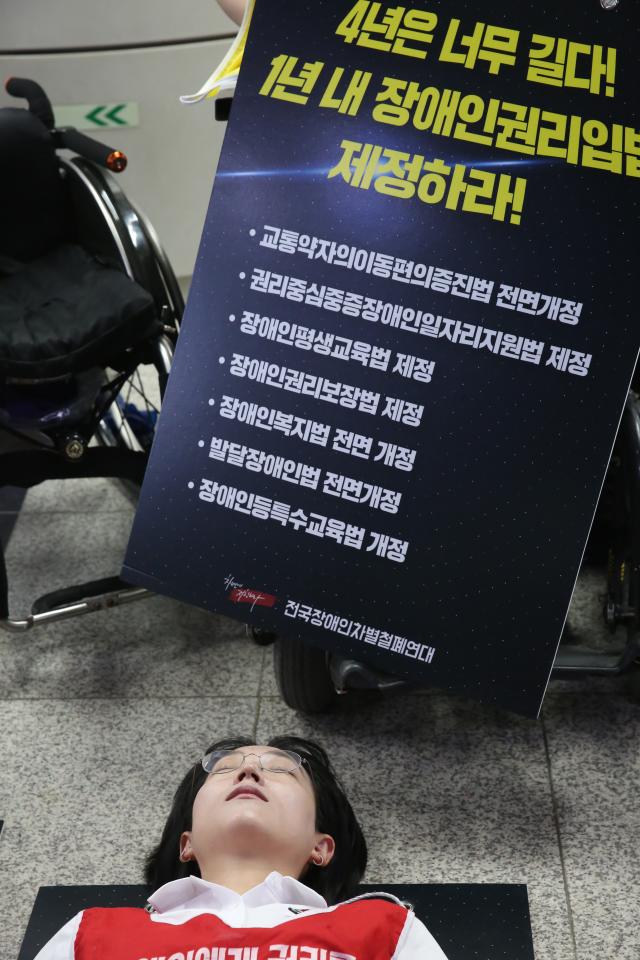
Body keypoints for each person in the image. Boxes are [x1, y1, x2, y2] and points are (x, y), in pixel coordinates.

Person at [33, 735, 449, 959]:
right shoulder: (91, 933)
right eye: (226, 768)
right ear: (187, 843)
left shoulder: (384, 928)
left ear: (321, 847)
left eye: (281, 770)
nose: (248, 768)